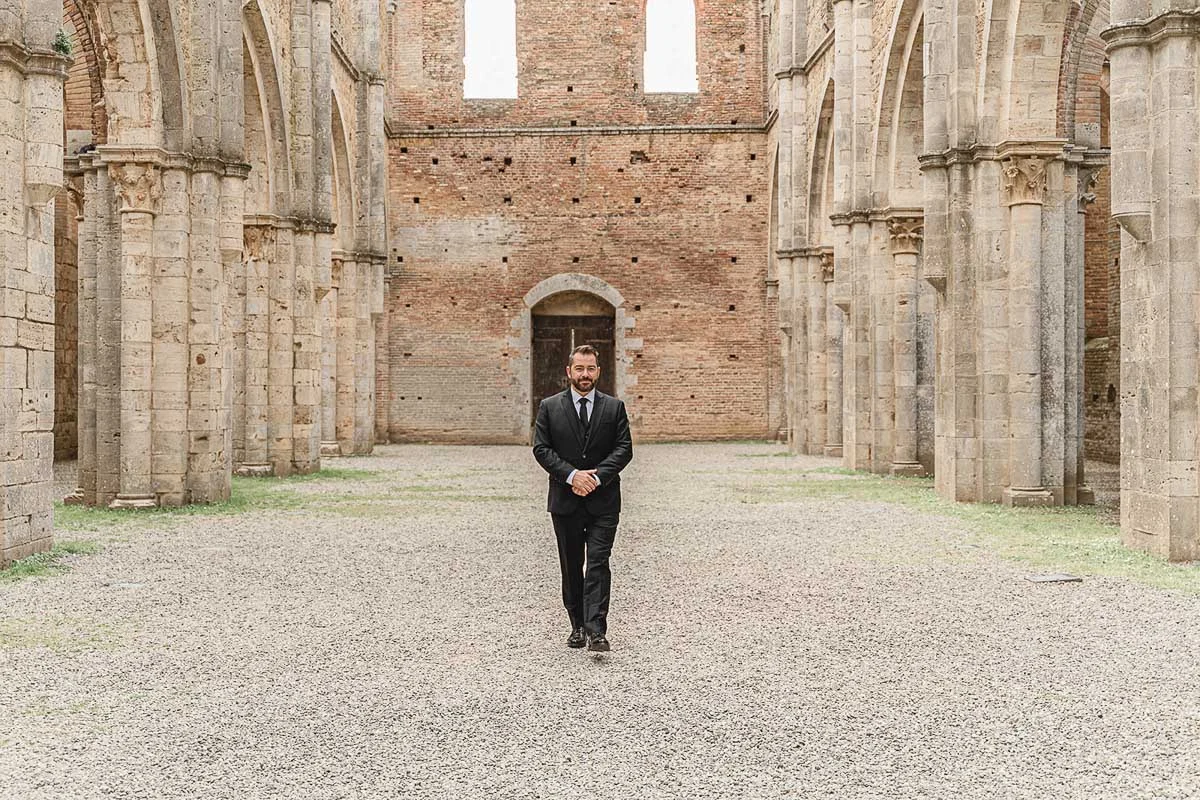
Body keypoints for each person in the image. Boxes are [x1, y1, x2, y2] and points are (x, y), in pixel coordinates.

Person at [532, 344, 633, 652]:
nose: (585, 374)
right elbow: (541, 448)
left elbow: (624, 449)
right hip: (565, 500)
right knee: (571, 565)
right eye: (579, 369)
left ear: (598, 372)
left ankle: (597, 630)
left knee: (599, 563)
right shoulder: (549, 407)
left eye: (590, 369)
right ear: (569, 371)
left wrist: (597, 477)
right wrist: (573, 476)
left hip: (604, 501)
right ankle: (577, 625)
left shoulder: (614, 408)